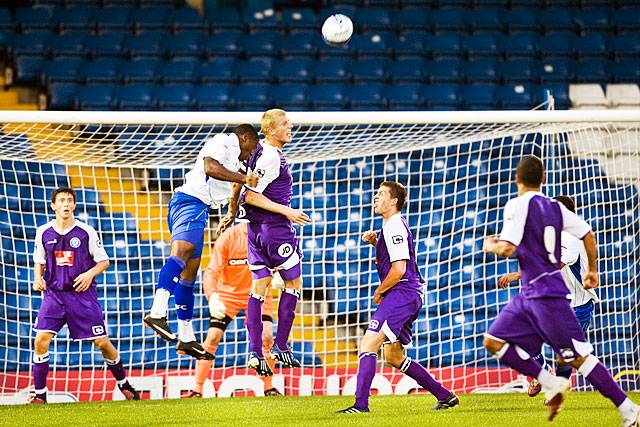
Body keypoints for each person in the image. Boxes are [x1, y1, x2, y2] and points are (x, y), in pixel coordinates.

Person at [483, 155, 639, 425]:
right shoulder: (555, 207)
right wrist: (592, 270)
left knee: (578, 358)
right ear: (542, 180)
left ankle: (628, 409)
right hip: (529, 294)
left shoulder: (516, 204)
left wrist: (491, 245)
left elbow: (507, 248)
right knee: (493, 340)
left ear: (516, 179)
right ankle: (550, 382)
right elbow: (588, 234)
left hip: (547, 294)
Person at [338, 181, 458, 414]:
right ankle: (445, 396)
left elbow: (399, 269)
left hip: (401, 293)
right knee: (393, 356)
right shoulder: (390, 227)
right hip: (408, 294)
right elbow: (394, 259)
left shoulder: (394, 226)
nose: (375, 197)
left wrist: (380, 290)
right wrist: (377, 243)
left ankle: (360, 405)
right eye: (375, 193)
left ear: (394, 201)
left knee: (368, 344)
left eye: (381, 194)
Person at [144, 125, 260, 360]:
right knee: (183, 251)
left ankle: (186, 337)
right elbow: (211, 167)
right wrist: (243, 177)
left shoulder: (237, 161)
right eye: (252, 148)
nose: (251, 154)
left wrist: (232, 209)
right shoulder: (222, 142)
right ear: (244, 137)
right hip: (189, 202)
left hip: (201, 208)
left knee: (190, 274)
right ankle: (157, 311)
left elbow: (237, 184)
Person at [31, 187, 139, 403]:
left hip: (82, 296)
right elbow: (39, 259)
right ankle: (40, 395)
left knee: (101, 342)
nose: (65, 204)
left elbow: (104, 261)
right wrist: (37, 278)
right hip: (54, 295)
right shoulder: (43, 231)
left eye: (69, 200)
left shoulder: (86, 231)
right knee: (41, 339)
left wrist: (90, 274)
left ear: (74, 205)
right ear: (54, 206)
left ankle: (123, 383)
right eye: (61, 200)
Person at [497, 195, 599, 399]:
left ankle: (557, 388)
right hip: (549, 302)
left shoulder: (572, 238)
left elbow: (553, 266)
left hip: (577, 305)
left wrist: (517, 275)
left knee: (566, 355)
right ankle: (542, 373)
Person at [240, 109, 310, 376]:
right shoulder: (269, 156)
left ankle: (256, 352)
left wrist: (230, 213)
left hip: (255, 231)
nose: (290, 125)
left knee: (258, 289)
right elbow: (252, 196)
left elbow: (243, 188)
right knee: (293, 283)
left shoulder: (260, 154)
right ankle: (281, 346)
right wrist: (287, 211)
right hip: (275, 229)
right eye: (284, 123)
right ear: (270, 129)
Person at [185, 222, 281, 398]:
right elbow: (212, 270)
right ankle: (197, 390)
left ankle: (269, 388)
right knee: (213, 337)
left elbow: (280, 262)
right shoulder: (228, 237)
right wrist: (212, 296)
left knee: (266, 337)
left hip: (258, 292)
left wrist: (278, 275)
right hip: (228, 294)